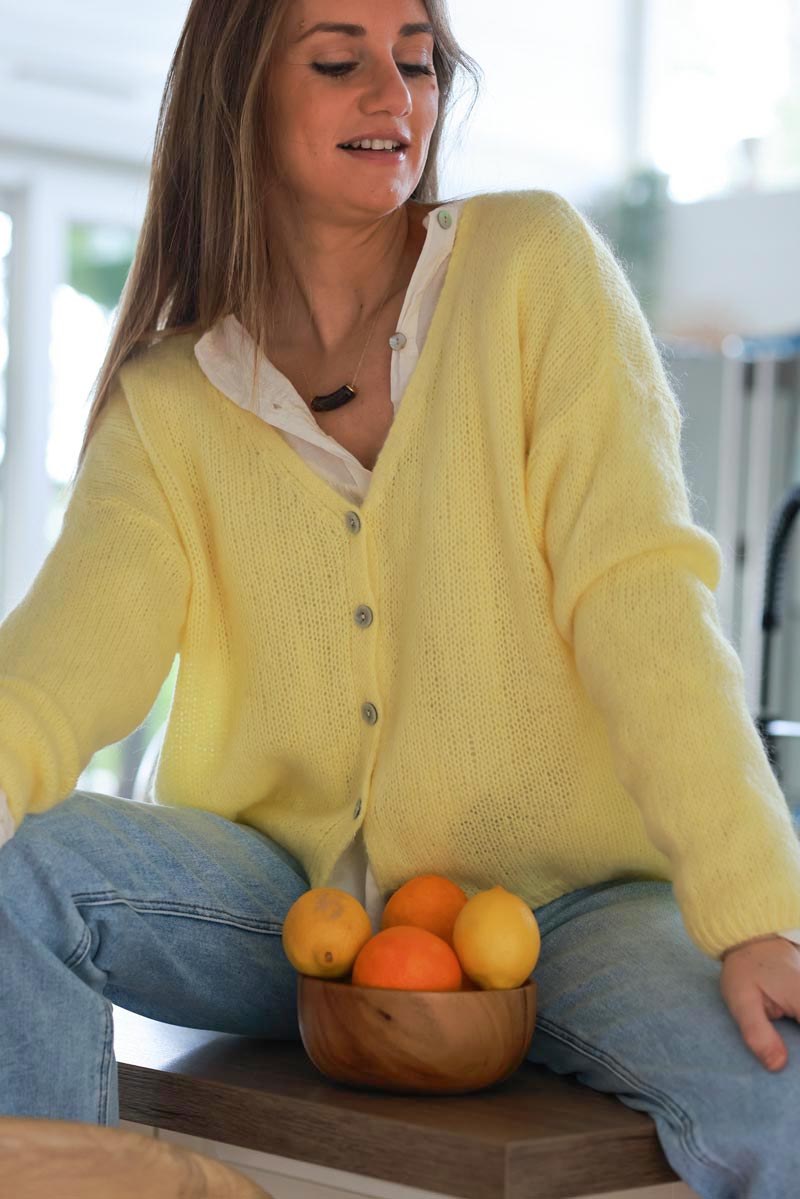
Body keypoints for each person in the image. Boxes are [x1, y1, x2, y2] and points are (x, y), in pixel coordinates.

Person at [1, 1, 800, 1193]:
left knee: (775, 1088)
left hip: (568, 906)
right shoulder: (170, 399)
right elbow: (57, 672)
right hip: (287, 910)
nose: (394, 95)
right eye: (339, 61)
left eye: (417, 62)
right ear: (239, 95)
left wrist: (752, 907)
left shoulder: (532, 268)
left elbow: (639, 596)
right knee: (24, 868)